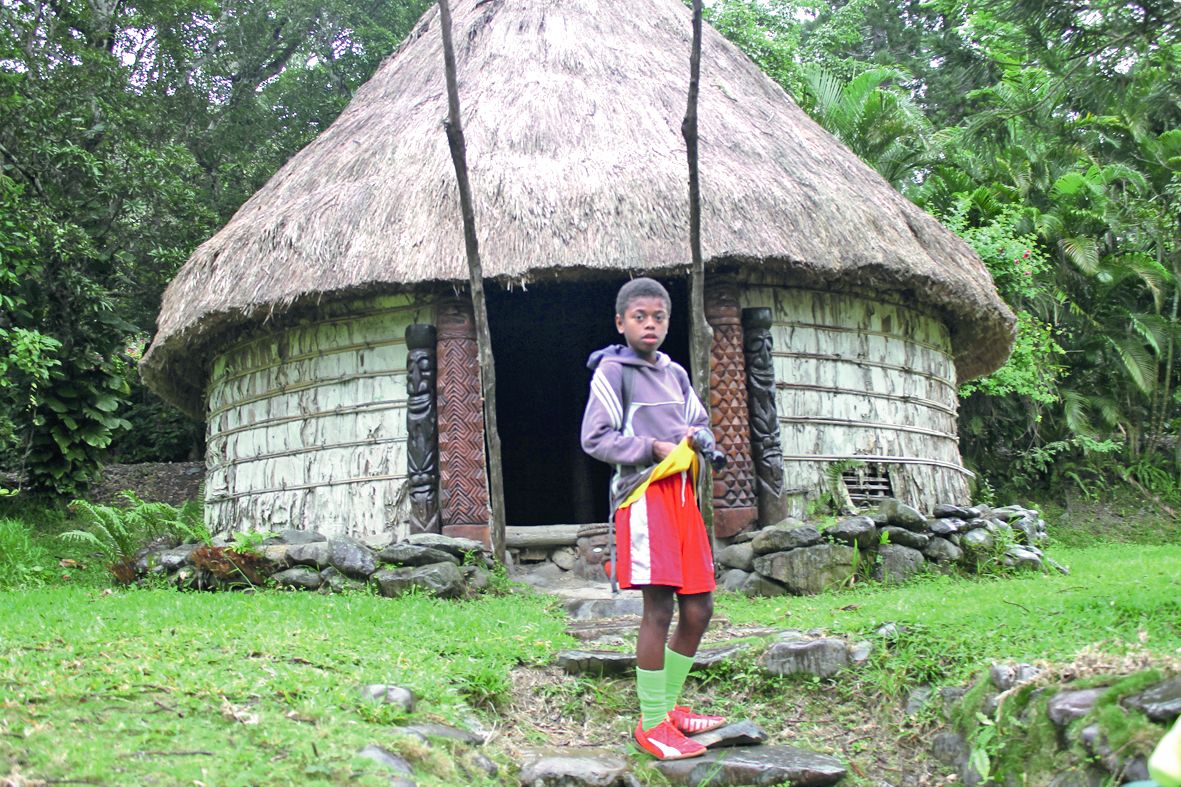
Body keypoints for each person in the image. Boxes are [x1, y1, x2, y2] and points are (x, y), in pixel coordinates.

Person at [580, 277, 726, 761]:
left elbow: (698, 421)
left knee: (700, 607)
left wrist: (696, 436)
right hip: (642, 498)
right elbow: (595, 438)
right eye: (639, 316)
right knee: (659, 609)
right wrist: (651, 448)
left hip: (682, 496)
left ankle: (668, 707)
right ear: (620, 322)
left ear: (668, 322)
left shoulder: (676, 374)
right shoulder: (611, 371)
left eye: (658, 317)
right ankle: (652, 723)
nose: (650, 324)